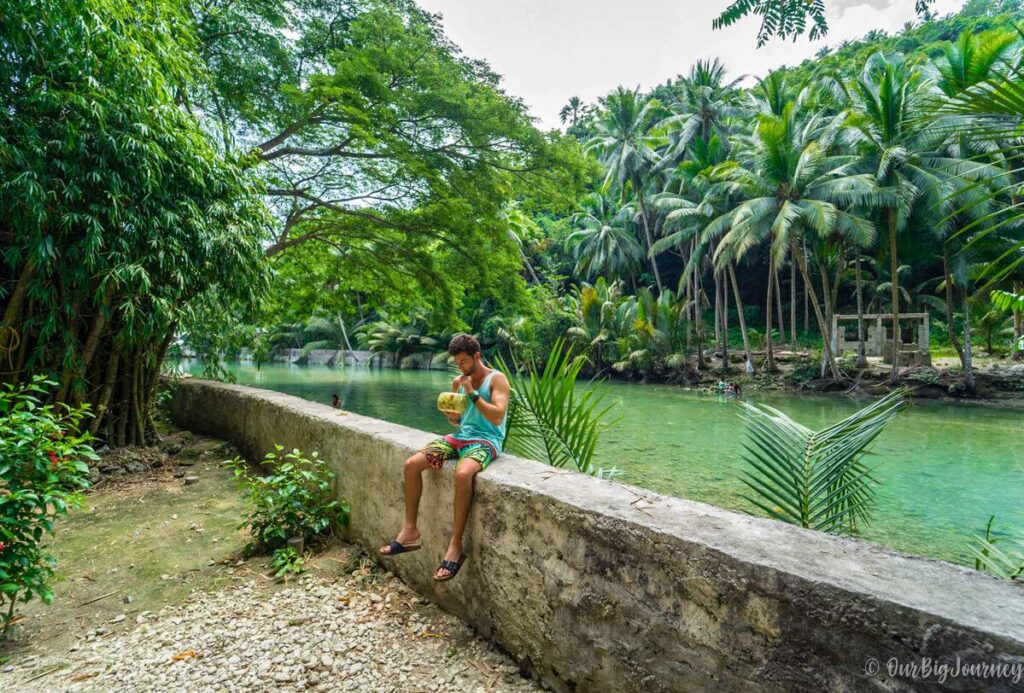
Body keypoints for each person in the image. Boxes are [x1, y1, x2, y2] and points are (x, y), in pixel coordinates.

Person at [378, 333, 509, 582]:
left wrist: (472, 393)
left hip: (486, 441)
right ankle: (409, 531)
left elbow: (496, 417)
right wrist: (452, 414)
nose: (460, 367)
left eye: (464, 362)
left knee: (462, 474)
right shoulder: (463, 380)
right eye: (457, 363)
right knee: (412, 464)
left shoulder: (497, 380)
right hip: (459, 437)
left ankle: (456, 545)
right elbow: (458, 420)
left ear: (477, 356)